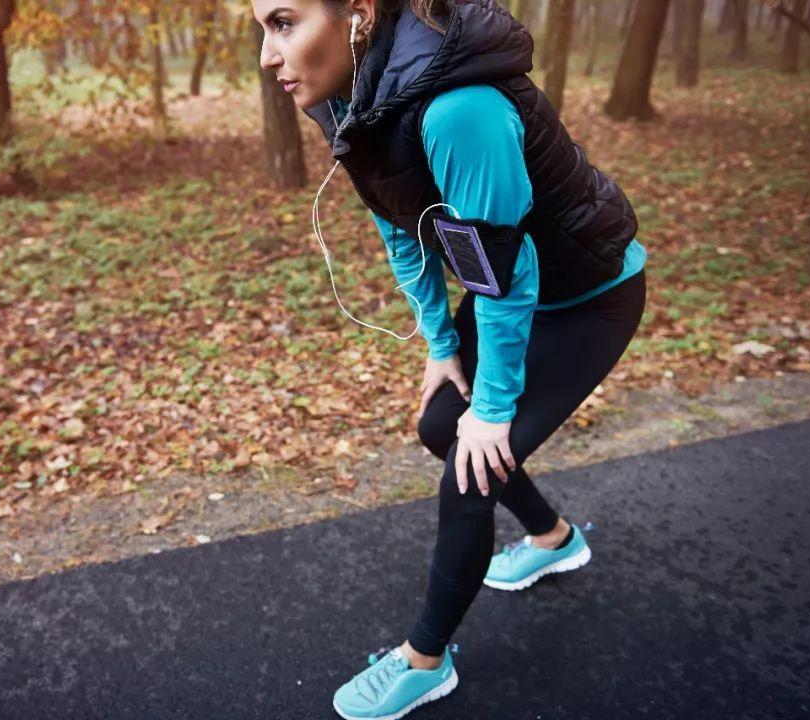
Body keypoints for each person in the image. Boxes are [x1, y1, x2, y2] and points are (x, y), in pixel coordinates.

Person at [252, 1, 647, 718]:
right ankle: (553, 538)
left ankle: (424, 661)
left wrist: (494, 409)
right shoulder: (356, 95)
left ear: (360, 13)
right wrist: (440, 345)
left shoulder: (457, 109)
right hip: (516, 287)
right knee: (442, 425)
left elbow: (504, 271)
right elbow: (400, 223)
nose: (267, 56)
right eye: (262, 29)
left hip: (589, 294)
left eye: (283, 22)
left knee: (471, 470)